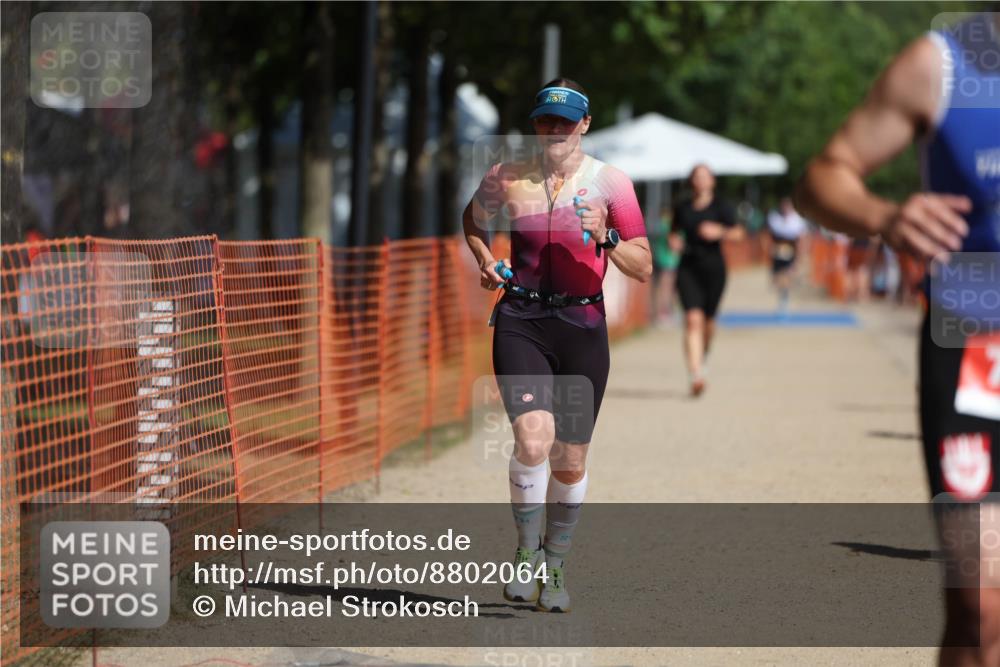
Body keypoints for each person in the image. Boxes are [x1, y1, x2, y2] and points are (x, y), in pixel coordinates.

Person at [796, 12, 1000, 666]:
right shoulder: (941, 65)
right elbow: (824, 175)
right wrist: (884, 215)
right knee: (980, 605)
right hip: (974, 345)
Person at [462, 77, 651, 613]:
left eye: (565, 123)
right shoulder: (507, 177)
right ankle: (525, 554)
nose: (554, 131)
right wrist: (484, 259)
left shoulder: (612, 185)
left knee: (569, 459)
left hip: (582, 325)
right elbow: (472, 220)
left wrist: (607, 237)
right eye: (546, 121)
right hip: (521, 318)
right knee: (533, 438)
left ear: (585, 125)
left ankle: (555, 563)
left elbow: (643, 266)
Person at [670, 164, 744, 396]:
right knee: (692, 320)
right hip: (688, 267)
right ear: (692, 181)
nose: (701, 181)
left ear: (712, 181)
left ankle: (703, 354)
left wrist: (719, 231)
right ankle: (696, 375)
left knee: (708, 323)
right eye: (697, 177)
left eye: (705, 177)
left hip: (714, 269)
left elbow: (739, 233)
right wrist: (674, 242)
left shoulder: (722, 206)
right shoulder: (682, 206)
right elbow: (673, 232)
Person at [766, 196, 808, 314]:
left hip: (790, 253)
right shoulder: (774, 219)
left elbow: (801, 240)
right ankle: (783, 296)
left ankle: (784, 302)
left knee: (786, 278)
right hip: (777, 254)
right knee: (777, 280)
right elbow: (769, 236)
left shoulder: (797, 220)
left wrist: (800, 256)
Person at [649, 207, 680, 325]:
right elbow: (673, 243)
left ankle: (656, 314)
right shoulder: (668, 226)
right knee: (667, 288)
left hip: (658, 259)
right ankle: (664, 313)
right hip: (668, 261)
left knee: (657, 288)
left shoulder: (658, 226)